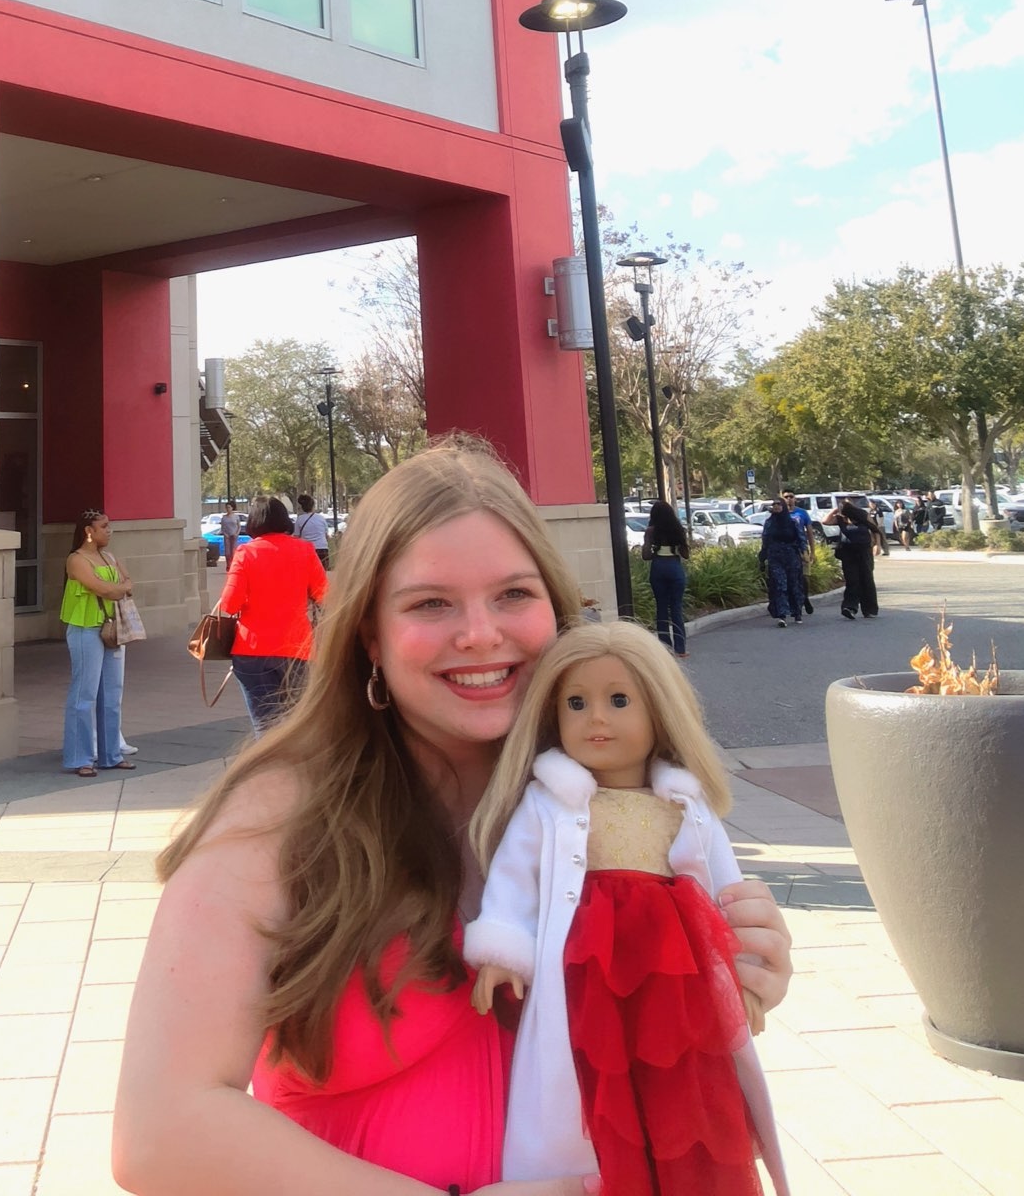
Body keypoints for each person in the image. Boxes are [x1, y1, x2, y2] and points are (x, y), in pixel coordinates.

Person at [114, 438, 794, 1195]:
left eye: (513, 595)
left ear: (559, 615)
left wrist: (732, 973)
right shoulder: (281, 811)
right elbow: (162, 1130)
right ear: (370, 632)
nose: (479, 633)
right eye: (430, 603)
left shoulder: (608, 803)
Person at [465, 623, 787, 1194]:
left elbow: (726, 895)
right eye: (576, 702)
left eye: (619, 700)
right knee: (592, 1091)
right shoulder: (550, 801)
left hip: (677, 981)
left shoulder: (685, 803)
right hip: (587, 981)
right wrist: (503, 948)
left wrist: (744, 983)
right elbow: (515, 879)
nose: (596, 719)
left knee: (682, 1088)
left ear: (659, 712)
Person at [219, 496, 327, 736]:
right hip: (297, 648)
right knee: (299, 723)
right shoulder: (305, 550)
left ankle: (271, 770)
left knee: (265, 726)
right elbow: (325, 596)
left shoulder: (245, 552)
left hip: (252, 649)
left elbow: (229, 603)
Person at [60, 510, 133, 777]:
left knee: (112, 694)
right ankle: (80, 757)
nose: (109, 530)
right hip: (85, 629)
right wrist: (118, 587)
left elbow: (128, 583)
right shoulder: (76, 560)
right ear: (89, 531)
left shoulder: (109, 557)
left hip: (111, 629)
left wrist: (119, 586)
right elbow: (105, 588)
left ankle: (110, 755)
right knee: (84, 693)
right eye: (104, 526)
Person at [639, 499, 690, 658]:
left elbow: (646, 556)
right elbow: (686, 555)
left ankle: (665, 647)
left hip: (658, 567)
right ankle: (680, 649)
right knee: (676, 608)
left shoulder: (651, 531)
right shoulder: (678, 529)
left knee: (661, 608)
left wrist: (655, 550)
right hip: (675, 567)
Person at [828, 503, 879, 621]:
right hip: (848, 553)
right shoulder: (841, 519)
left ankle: (870, 610)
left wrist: (878, 545)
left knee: (867, 579)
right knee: (852, 580)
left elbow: (875, 530)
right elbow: (825, 521)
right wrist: (835, 510)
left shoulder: (863, 516)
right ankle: (849, 607)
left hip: (864, 552)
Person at [759, 500, 805, 627]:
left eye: (779, 504)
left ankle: (797, 612)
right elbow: (765, 540)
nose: (777, 507)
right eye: (774, 505)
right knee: (780, 584)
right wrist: (762, 558)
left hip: (791, 557)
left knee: (794, 584)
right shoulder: (769, 523)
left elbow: (801, 538)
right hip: (775, 556)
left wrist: (804, 552)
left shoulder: (792, 522)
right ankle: (782, 614)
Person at [295, 492, 330, 568]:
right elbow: (326, 535)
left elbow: (296, 537)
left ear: (302, 507)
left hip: (307, 550)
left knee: (308, 573)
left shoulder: (299, 520)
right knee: (322, 574)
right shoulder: (321, 518)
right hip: (322, 548)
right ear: (313, 506)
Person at [219, 500, 241, 569]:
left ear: (232, 508)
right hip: (227, 536)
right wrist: (225, 534)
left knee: (233, 552)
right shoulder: (224, 517)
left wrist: (236, 533)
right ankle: (228, 565)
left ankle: (233, 565)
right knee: (227, 552)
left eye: (229, 507)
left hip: (234, 535)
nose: (228, 509)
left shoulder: (236, 517)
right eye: (227, 507)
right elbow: (222, 527)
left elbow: (239, 526)